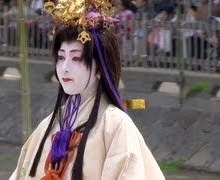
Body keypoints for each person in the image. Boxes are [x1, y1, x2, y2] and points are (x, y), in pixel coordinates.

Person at [10, 0, 165, 179]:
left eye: (76, 59)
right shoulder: (48, 126)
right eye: (61, 58)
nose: (65, 68)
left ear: (99, 67)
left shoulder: (116, 126)